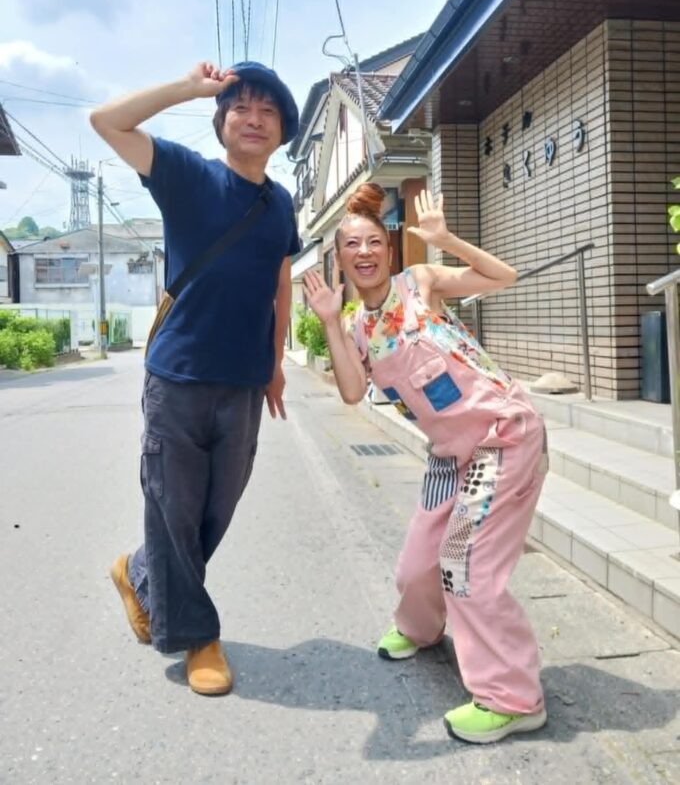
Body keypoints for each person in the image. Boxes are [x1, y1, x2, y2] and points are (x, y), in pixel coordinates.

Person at [303, 182, 549, 744]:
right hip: (448, 455)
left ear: (388, 249)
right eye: (351, 245)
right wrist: (329, 321)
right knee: (417, 565)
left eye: (373, 241)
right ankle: (420, 628)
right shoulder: (356, 327)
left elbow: (503, 276)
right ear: (339, 258)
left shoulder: (420, 282)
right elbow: (351, 391)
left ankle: (514, 699)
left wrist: (447, 240)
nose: (363, 252)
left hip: (500, 436)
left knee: (463, 564)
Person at [90, 60, 300, 695]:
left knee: (217, 507)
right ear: (221, 121)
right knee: (173, 507)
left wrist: (275, 364)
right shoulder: (186, 175)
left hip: (244, 381)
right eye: (241, 107)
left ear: (283, 130)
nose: (254, 119)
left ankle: (138, 573)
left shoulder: (279, 203)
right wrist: (188, 88)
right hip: (177, 376)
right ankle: (196, 637)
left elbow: (280, 283)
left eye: (268, 110)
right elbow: (106, 121)